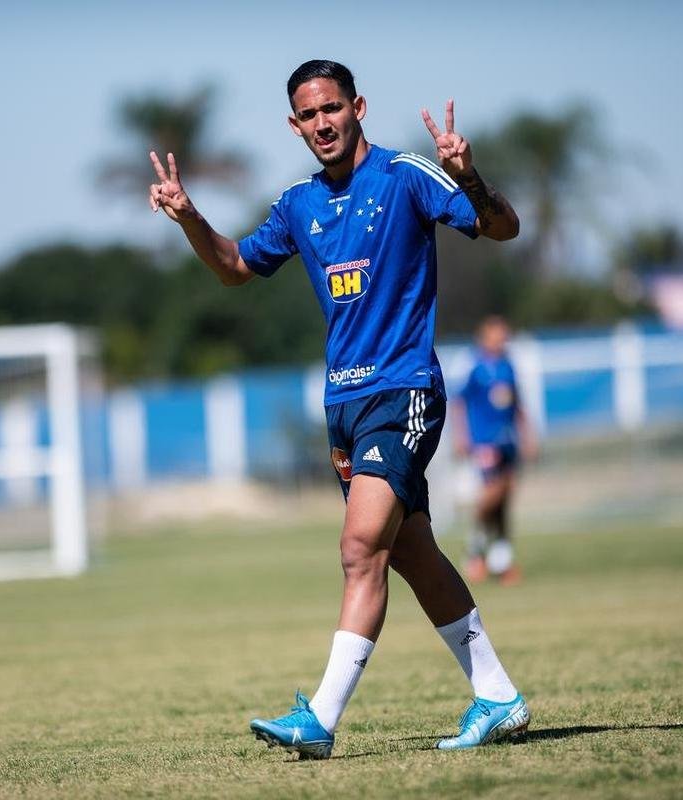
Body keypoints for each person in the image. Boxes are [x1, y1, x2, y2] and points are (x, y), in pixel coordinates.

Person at [149, 59, 529, 758]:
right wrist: (189, 218)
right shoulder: (298, 204)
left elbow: (502, 228)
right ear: (293, 126)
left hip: (404, 390)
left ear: (357, 107)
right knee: (411, 553)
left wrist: (469, 174)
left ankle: (320, 720)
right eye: (307, 115)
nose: (321, 124)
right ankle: (498, 697)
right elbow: (234, 267)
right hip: (344, 408)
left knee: (360, 550)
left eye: (331, 108)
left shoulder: (408, 176)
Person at [452, 316, 539, 585]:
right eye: (497, 334)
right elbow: (458, 402)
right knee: (492, 493)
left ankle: (501, 560)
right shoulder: (476, 367)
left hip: (507, 440)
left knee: (505, 498)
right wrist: (461, 436)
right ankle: (475, 548)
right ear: (484, 337)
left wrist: (527, 436)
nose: (502, 339)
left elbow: (517, 405)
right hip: (485, 442)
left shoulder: (508, 366)